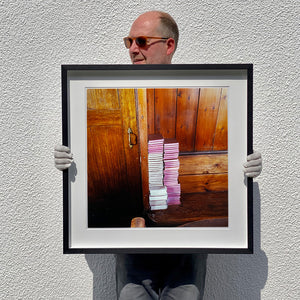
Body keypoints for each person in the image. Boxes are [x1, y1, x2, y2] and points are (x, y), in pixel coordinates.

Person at [54, 11, 262, 300]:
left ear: (169, 45)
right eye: (128, 41)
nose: (132, 49)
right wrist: (72, 162)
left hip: (188, 246)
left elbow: (228, 147)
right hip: (133, 248)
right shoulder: (105, 87)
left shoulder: (204, 91)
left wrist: (245, 162)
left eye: (141, 41)